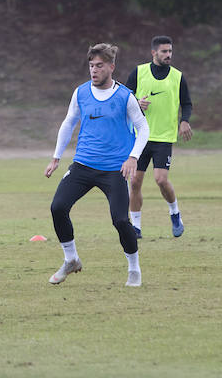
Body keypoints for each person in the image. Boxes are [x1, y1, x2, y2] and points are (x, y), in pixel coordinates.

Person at [45, 43, 150, 287]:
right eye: (91, 66)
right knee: (58, 207)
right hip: (83, 165)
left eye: (99, 66)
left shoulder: (125, 96)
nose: (94, 70)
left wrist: (132, 157)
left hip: (114, 169)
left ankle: (134, 268)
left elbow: (143, 128)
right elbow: (69, 122)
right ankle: (71, 260)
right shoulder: (80, 92)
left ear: (111, 67)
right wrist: (56, 157)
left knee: (121, 221)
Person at [124, 35, 193, 239]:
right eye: (164, 51)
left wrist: (184, 120)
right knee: (135, 182)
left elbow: (187, 103)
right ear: (154, 52)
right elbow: (124, 98)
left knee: (161, 180)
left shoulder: (178, 77)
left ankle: (174, 213)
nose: (168, 55)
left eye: (170, 51)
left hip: (164, 137)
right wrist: (136, 102)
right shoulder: (139, 72)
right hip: (139, 136)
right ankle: (136, 227)